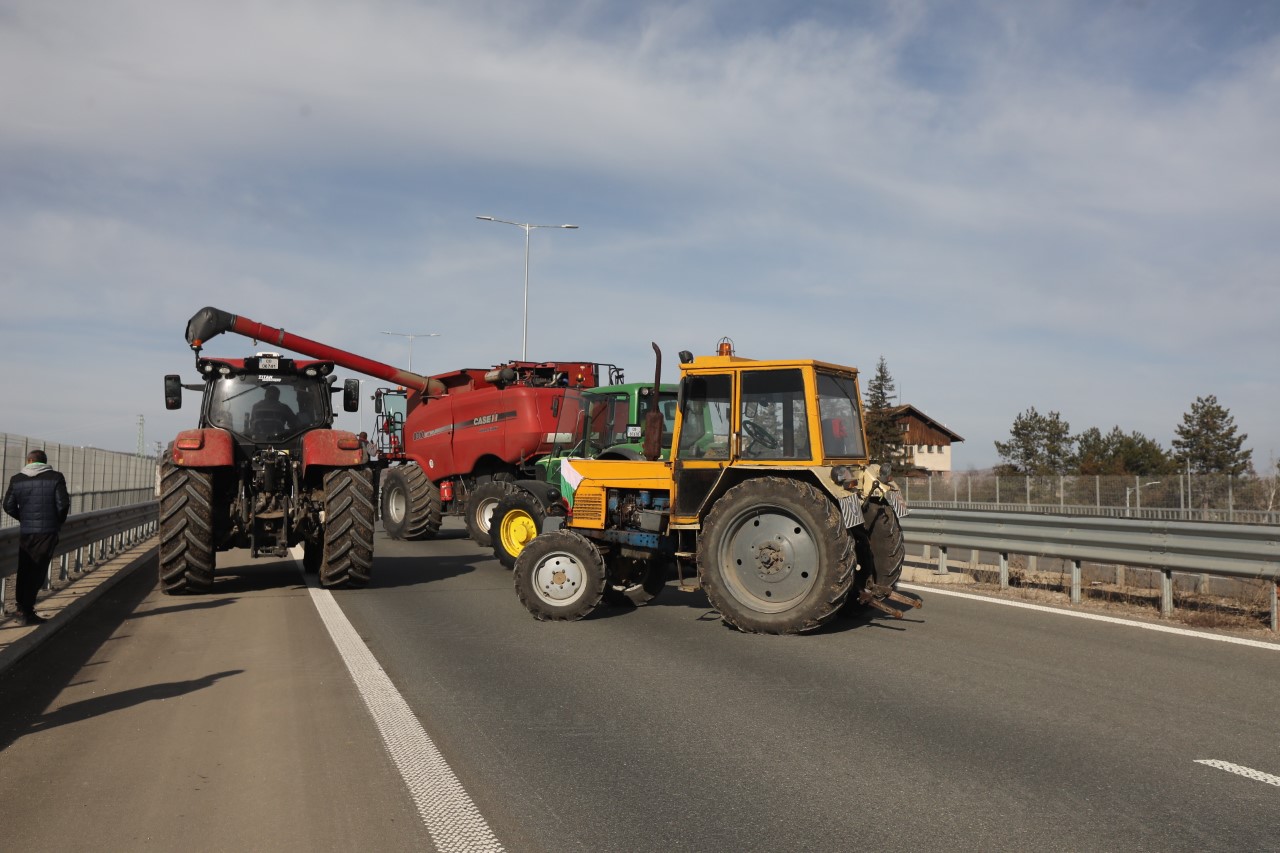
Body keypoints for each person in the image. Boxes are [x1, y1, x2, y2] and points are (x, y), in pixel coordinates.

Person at [3, 449, 71, 625]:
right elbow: (63, 505)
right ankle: (26, 611)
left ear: (29, 461)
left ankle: (22, 608)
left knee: (25, 569)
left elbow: (7, 505)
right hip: (47, 532)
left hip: (26, 531)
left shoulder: (17, 479)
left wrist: (24, 518)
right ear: (45, 462)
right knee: (38, 570)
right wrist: (57, 523)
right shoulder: (56, 477)